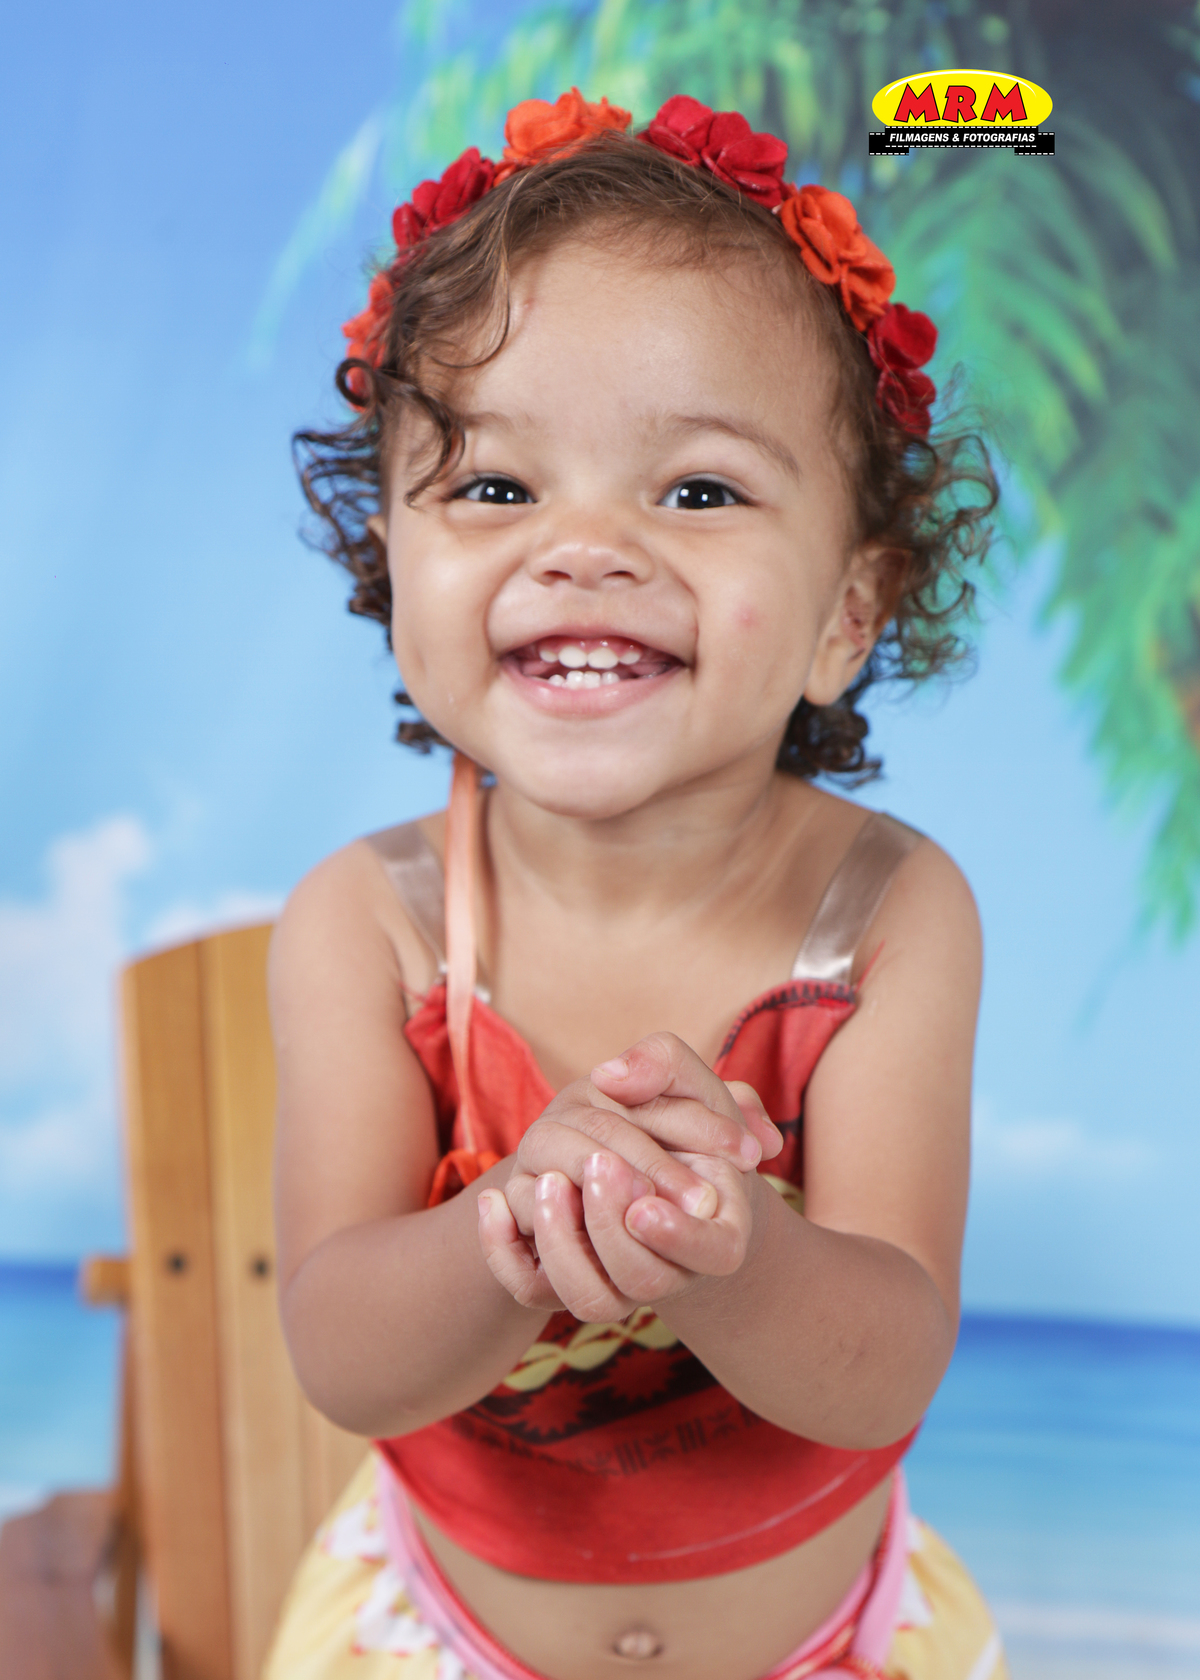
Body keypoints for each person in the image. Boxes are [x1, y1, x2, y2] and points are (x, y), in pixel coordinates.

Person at [264, 89, 1004, 1680]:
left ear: (850, 609)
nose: (585, 546)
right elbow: (341, 1351)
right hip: (435, 1639)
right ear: (393, 559)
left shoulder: (886, 920)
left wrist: (736, 1254)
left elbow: (883, 1366)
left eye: (698, 491)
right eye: (495, 488)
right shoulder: (372, 927)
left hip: (828, 1643)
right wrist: (510, 1232)